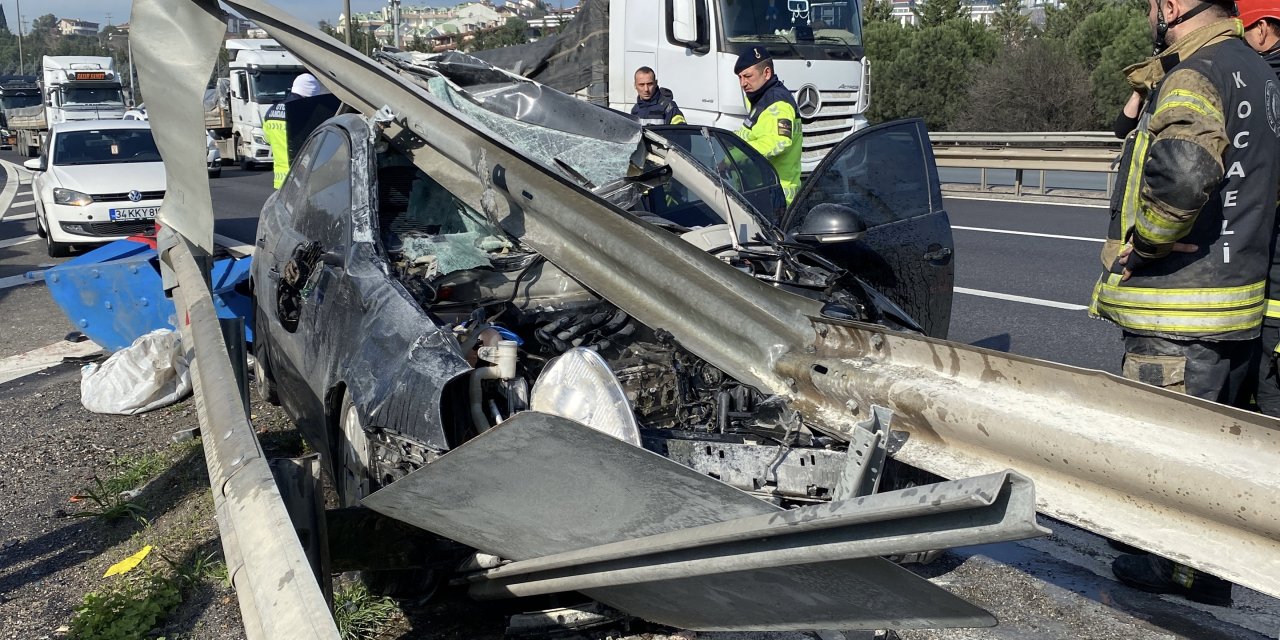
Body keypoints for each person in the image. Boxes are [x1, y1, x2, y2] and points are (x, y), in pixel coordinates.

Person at [1089, 0, 1280, 607]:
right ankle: (1203, 569)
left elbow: (1185, 175)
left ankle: (1175, 571)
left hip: (1180, 306)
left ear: (1172, 7)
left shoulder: (1195, 73)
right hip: (1237, 302)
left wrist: (1143, 244)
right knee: (1214, 452)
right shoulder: (1258, 71)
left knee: (1167, 449)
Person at [1235, 0, 1280, 416]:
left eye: (1243, 31)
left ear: (1263, 29)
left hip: (1272, 253)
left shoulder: (1263, 83)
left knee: (1268, 374)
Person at [733, 46, 802, 205]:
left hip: (775, 199)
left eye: (748, 76)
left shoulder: (777, 103)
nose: (743, 83)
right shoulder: (762, 99)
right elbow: (749, 134)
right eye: (740, 77)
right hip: (762, 193)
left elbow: (777, 143)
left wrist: (733, 158)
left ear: (767, 73)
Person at [264, 73, 329, 189]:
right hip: (301, 180)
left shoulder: (271, 112)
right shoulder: (304, 114)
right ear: (310, 95)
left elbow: (267, 139)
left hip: (280, 180)